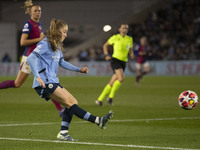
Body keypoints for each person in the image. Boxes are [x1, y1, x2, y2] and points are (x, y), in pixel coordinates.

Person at [27, 18, 113, 141]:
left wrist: (79, 70)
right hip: (44, 83)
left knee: (73, 102)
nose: (66, 35)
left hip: (52, 81)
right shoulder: (45, 43)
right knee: (70, 103)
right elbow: (30, 58)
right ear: (57, 32)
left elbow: (62, 62)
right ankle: (98, 121)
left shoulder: (56, 45)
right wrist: (38, 76)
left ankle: (63, 133)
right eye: (64, 32)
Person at [0, 0, 64, 116]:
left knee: (47, 81)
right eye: (35, 11)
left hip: (37, 58)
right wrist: (39, 40)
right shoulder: (28, 24)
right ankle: (61, 109)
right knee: (17, 83)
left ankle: (61, 109)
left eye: (39, 11)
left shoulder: (38, 25)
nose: (38, 13)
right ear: (30, 12)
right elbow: (22, 42)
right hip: (29, 58)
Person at [95, 24, 134, 106]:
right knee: (121, 78)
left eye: (126, 28)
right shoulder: (115, 37)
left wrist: (131, 54)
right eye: (123, 28)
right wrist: (106, 55)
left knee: (112, 82)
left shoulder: (129, 39)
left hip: (124, 61)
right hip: (115, 60)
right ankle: (110, 97)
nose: (125, 29)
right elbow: (105, 45)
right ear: (119, 29)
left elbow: (130, 49)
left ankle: (99, 99)